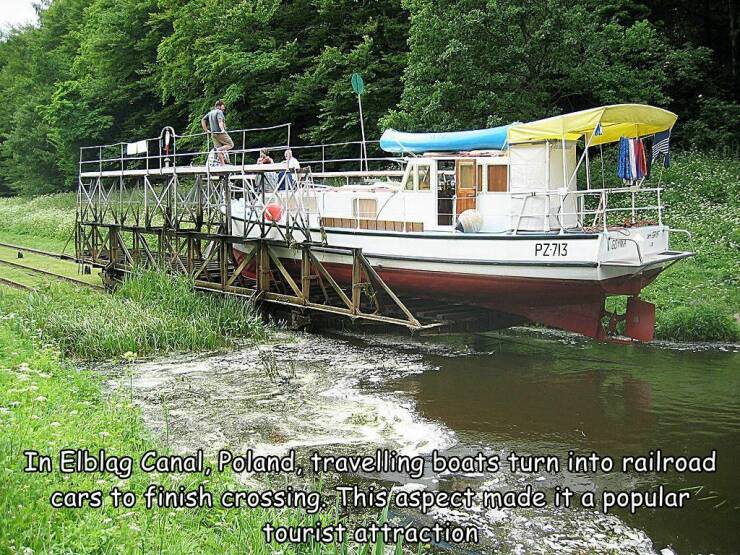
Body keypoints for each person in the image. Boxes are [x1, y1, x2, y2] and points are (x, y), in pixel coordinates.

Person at [201, 100, 233, 165]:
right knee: (230, 144)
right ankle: (218, 150)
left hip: (213, 134)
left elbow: (203, 120)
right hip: (219, 132)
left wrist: (206, 130)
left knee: (218, 149)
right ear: (219, 106)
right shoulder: (219, 112)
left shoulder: (210, 113)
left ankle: (223, 165)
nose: (224, 108)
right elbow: (220, 121)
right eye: (223, 106)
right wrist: (222, 129)